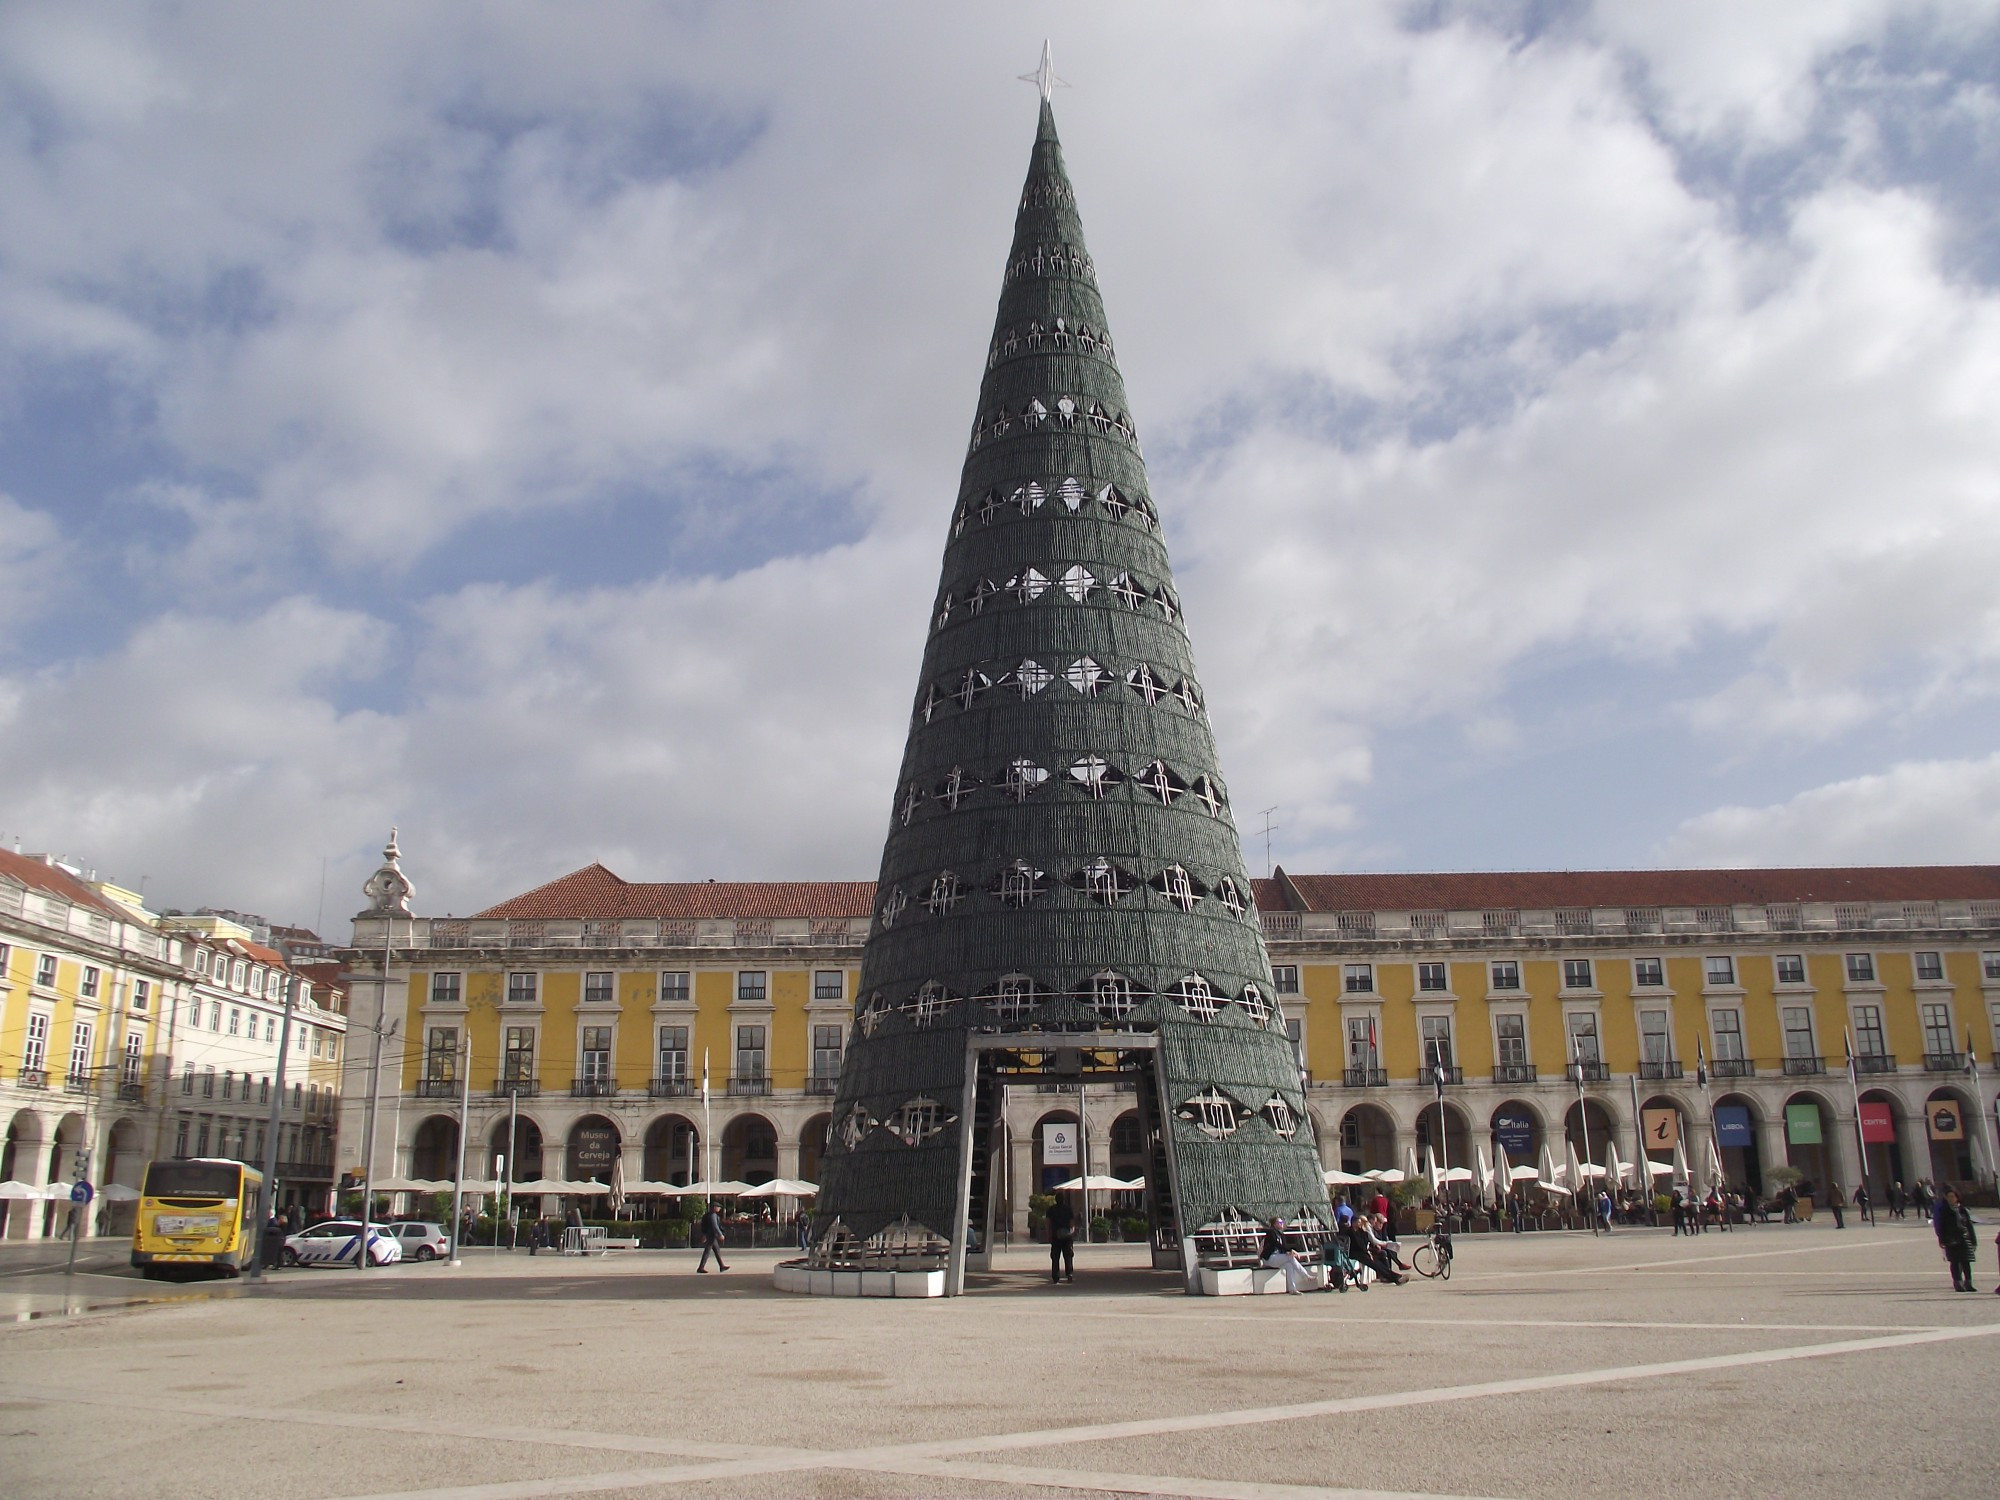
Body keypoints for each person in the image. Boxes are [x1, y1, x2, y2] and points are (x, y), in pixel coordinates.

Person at [1933, 1187, 1978, 1292]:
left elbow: (1969, 1226)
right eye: (1948, 1197)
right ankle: (1958, 1283)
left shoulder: (1963, 1210)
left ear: (1957, 1198)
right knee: (1955, 1262)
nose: (1951, 1199)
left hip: (1964, 1238)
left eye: (1953, 1196)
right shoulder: (1944, 1211)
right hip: (1951, 1239)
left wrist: (1973, 1241)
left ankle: (1968, 1283)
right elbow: (1941, 1226)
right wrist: (1942, 1239)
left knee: (1966, 1262)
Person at [1260, 1216, 1312, 1294]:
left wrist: (1291, 1251)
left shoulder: (1281, 1234)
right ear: (1274, 1224)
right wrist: (1290, 1251)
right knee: (1290, 1258)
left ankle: (1292, 1289)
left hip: (1277, 1258)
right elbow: (1276, 1244)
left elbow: (1285, 1246)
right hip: (1269, 1258)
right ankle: (1305, 1275)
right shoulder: (1271, 1232)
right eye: (1280, 1222)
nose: (1282, 1224)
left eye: (1282, 1222)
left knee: (1289, 1265)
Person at [1047, 1195, 1076, 1283]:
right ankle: (1069, 1273)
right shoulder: (1068, 1209)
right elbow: (1072, 1222)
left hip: (1056, 1235)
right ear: (1064, 1200)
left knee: (1055, 1257)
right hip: (1067, 1236)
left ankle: (1055, 1277)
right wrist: (1072, 1232)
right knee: (1068, 1255)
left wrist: (1049, 1234)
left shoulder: (1051, 1209)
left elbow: (1048, 1222)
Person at [696, 1200, 728, 1272]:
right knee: (708, 1251)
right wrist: (720, 1235)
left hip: (710, 1235)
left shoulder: (709, 1215)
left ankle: (721, 1266)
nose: (719, 1209)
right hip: (711, 1236)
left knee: (716, 1251)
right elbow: (715, 1226)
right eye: (718, 1207)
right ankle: (701, 1268)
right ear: (714, 1208)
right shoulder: (713, 1215)